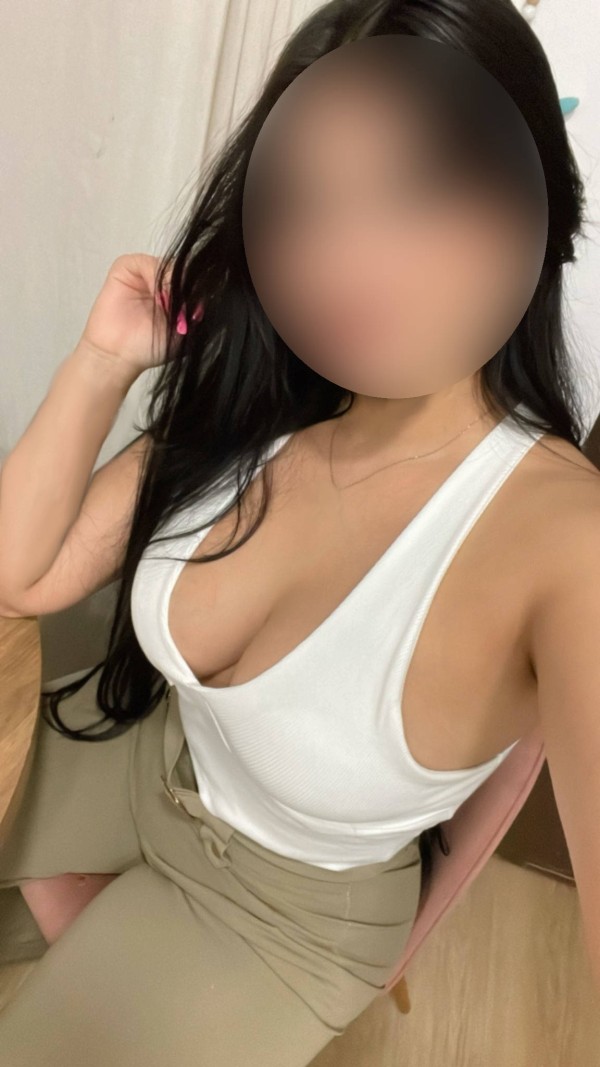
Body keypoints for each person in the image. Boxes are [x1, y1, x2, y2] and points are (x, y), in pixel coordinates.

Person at [0, 1, 594, 1063]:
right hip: (141, 759)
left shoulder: (563, 535)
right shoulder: (262, 408)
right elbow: (24, 575)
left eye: (415, 192)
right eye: (304, 202)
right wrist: (103, 359)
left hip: (285, 915)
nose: (344, 256)